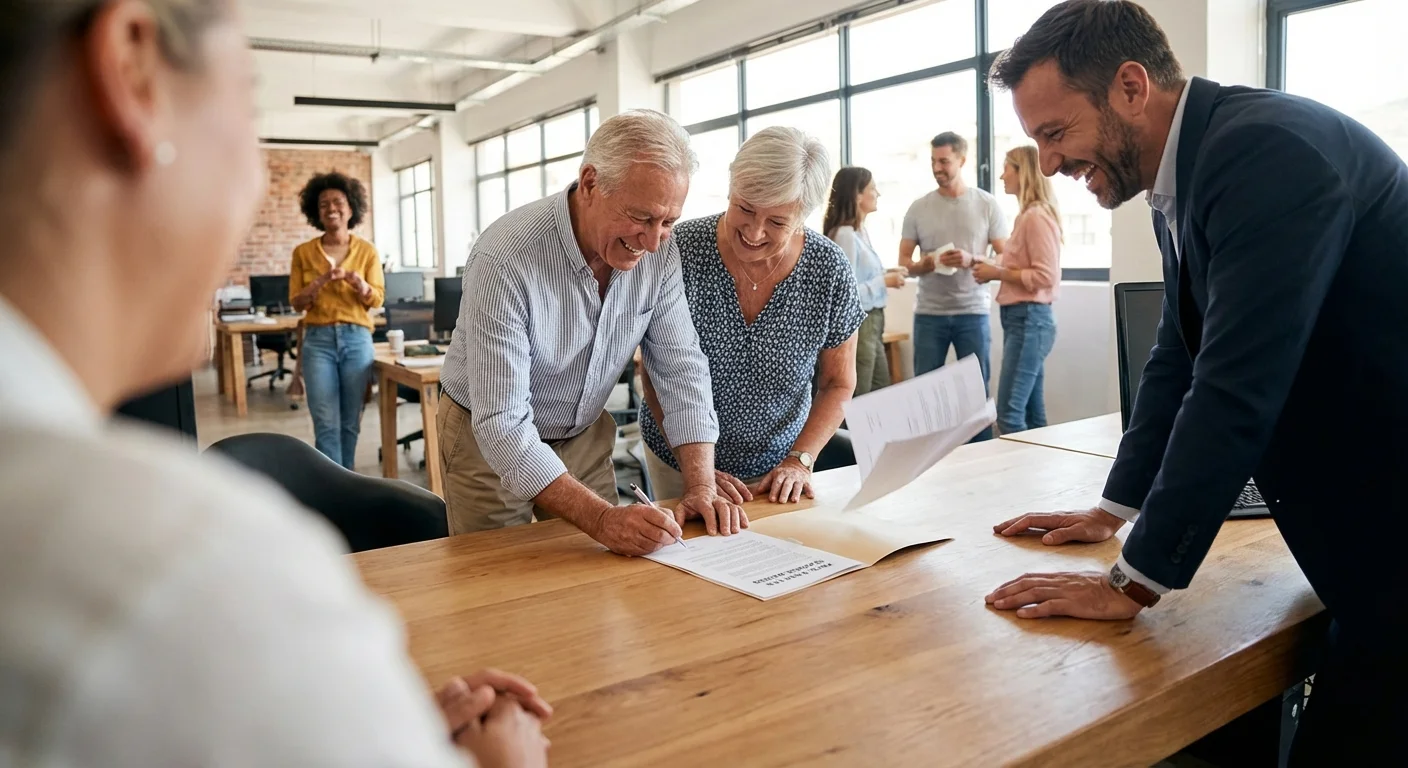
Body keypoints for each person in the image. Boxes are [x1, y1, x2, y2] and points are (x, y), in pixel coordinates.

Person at [0, 1, 547, 766]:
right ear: (131, 71)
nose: (254, 168)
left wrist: (317, 716)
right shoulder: (197, 569)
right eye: (249, 108)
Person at [980, 1, 1408, 763]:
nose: (1046, 164)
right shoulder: (1186, 171)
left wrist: (1132, 583)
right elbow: (1178, 355)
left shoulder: (1264, 155)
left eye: (1054, 133)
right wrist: (1114, 507)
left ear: (1131, 88)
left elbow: (1234, 385)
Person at [438, 109, 744, 553]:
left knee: (602, 581)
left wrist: (700, 484)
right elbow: (503, 422)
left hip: (581, 432)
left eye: (669, 221)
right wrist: (601, 518)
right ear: (590, 184)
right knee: (500, 584)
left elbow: (682, 368)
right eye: (641, 217)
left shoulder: (660, 252)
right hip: (485, 438)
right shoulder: (506, 259)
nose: (655, 240)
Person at [639, 127, 865, 505]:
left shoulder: (828, 269)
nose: (755, 232)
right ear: (730, 188)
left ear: (802, 216)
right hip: (678, 459)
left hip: (777, 472)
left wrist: (799, 460)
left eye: (777, 222)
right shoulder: (680, 252)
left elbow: (838, 384)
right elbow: (656, 373)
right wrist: (698, 471)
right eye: (744, 209)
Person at [898, 132, 1009, 440]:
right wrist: (928, 264)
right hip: (929, 314)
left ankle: (979, 457)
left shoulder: (986, 205)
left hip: (972, 313)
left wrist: (971, 258)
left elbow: (1004, 255)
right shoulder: (918, 208)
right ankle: (925, 459)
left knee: (975, 394)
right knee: (924, 393)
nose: (937, 168)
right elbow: (904, 264)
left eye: (944, 161)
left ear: (961, 160)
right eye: (933, 161)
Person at [288, 171, 383, 469]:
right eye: (323, 204)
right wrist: (317, 284)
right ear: (316, 213)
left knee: (350, 422)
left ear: (351, 208)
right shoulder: (303, 253)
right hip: (319, 341)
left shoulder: (367, 252)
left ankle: (347, 483)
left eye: (338, 202)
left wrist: (359, 284)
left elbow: (377, 298)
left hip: (357, 340)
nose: (331, 208)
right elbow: (296, 303)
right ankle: (332, 491)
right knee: (326, 422)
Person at [972, 146, 1061, 435]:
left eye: (1007, 168)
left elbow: (1046, 276)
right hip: (1024, 320)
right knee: (1034, 416)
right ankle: (1041, 479)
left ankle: (1021, 480)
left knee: (1009, 415)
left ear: (1023, 172)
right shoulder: (1028, 216)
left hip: (1029, 321)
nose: (1001, 175)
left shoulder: (1035, 217)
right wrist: (986, 266)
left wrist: (996, 273)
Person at [824, 166, 905, 396]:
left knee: (879, 389)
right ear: (856, 195)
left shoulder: (860, 232)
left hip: (875, 320)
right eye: (872, 188)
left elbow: (861, 274)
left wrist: (887, 272)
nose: (877, 193)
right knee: (861, 395)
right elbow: (845, 294)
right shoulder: (845, 235)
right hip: (861, 322)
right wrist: (883, 281)